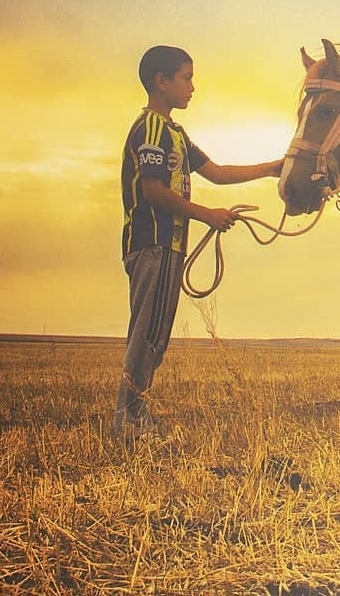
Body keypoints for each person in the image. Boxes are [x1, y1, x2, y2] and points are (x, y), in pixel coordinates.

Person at [113, 45, 283, 438]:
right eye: (186, 78)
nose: (192, 87)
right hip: (151, 242)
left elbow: (218, 173)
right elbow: (153, 191)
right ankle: (127, 420)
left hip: (171, 246)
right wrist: (208, 215)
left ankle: (137, 416)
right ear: (162, 81)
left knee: (156, 334)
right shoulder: (151, 129)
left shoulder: (175, 134)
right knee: (145, 334)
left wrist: (272, 168)